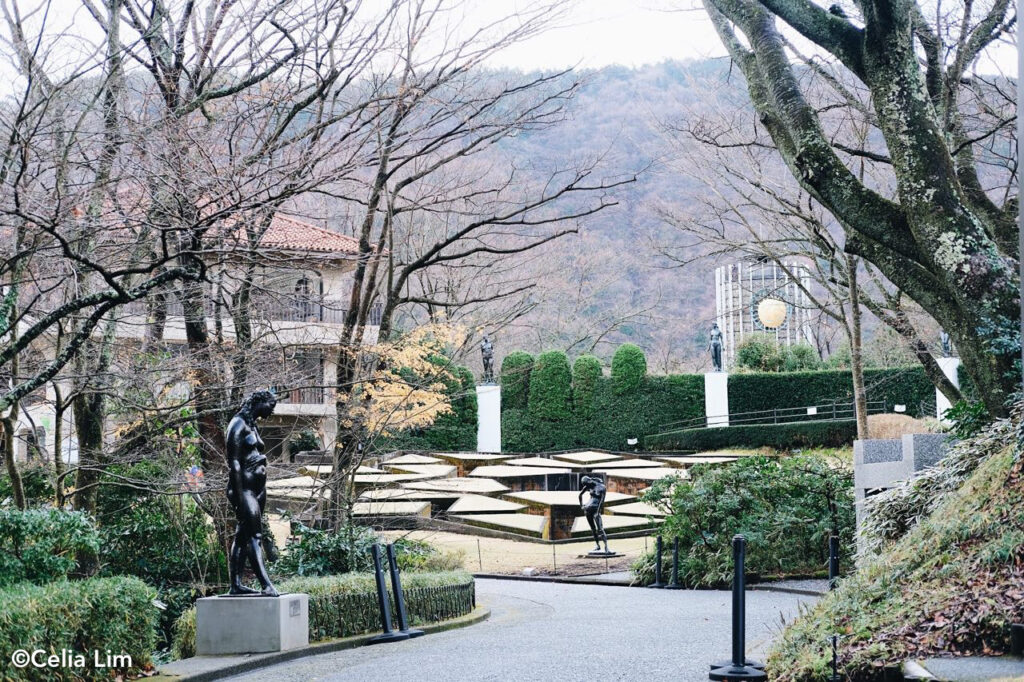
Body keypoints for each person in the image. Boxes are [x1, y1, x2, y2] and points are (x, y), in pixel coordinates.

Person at [225, 390, 279, 596]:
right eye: (270, 406)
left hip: (258, 488)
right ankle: (266, 584)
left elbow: (255, 452)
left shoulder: (252, 424)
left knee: (242, 535)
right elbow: (234, 464)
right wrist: (239, 498)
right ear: (260, 402)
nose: (272, 412)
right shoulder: (237, 424)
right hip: (244, 489)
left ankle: (235, 585)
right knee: (255, 535)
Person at [579, 475, 609, 554]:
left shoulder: (602, 487)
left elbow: (602, 502)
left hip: (596, 510)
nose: (587, 487)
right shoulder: (589, 485)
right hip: (587, 510)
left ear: (590, 481)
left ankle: (606, 547)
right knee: (593, 529)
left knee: (600, 529)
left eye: (587, 485)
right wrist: (582, 505)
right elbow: (580, 495)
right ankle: (597, 545)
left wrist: (597, 512)